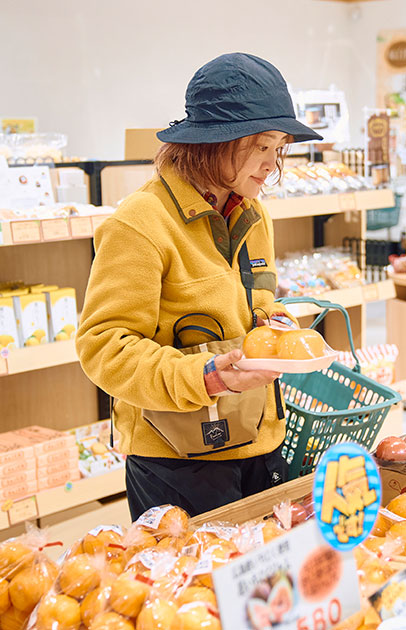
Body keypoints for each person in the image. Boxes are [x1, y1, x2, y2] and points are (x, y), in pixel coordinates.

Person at [76, 53, 323, 521]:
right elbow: (104, 347)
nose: (271, 165)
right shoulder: (140, 223)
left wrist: (275, 324)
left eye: (278, 148)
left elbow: (258, 300)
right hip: (177, 460)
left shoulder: (254, 214)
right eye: (261, 146)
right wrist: (206, 377)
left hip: (261, 439)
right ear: (214, 143)